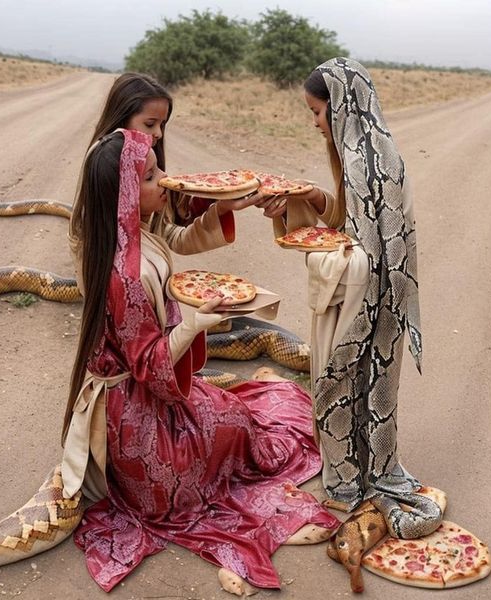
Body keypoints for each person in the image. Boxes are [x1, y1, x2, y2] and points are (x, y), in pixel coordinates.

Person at [60, 128, 340, 593]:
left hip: (144, 392)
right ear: (126, 194)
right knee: (235, 437)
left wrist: (223, 204)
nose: (165, 180)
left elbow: (177, 225)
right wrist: (196, 322)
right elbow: (150, 367)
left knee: (235, 414)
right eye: (151, 176)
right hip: (135, 413)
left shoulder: (124, 234)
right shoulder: (123, 273)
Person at [256, 57, 442, 537]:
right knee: (349, 389)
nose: (315, 123)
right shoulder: (361, 152)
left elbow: (370, 255)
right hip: (360, 293)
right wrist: (312, 201)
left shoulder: (371, 161)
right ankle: (352, 474)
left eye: (318, 112)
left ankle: (352, 482)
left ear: (341, 108)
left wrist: (322, 248)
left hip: (368, 301)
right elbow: (349, 221)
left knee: (342, 384)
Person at [69, 72, 255, 260]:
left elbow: (170, 235)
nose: (158, 133)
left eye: (162, 124)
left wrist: (221, 204)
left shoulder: (151, 173)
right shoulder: (102, 164)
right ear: (121, 119)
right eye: (150, 124)